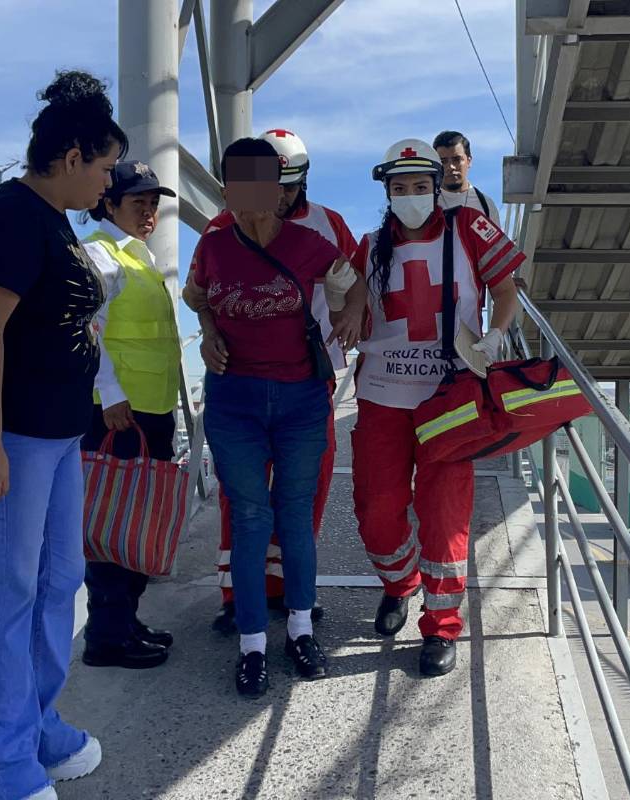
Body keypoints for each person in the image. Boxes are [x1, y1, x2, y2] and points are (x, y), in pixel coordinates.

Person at [0, 70, 125, 800]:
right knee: (11, 590)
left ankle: (35, 725)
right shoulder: (9, 217)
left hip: (53, 435)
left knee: (58, 583)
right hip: (8, 434)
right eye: (106, 168)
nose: (108, 184)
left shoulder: (53, 221)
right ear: (73, 155)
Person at [192, 137, 367, 697]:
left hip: (299, 400)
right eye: (237, 187)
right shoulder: (214, 245)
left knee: (293, 515)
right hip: (234, 400)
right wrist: (210, 334)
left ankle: (298, 629)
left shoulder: (310, 243)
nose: (249, 199)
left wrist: (350, 316)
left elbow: (354, 283)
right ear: (227, 191)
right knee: (248, 517)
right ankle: (251, 646)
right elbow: (197, 297)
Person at [352, 138, 525, 677]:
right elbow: (349, 302)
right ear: (386, 192)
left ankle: (441, 624)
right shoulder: (370, 244)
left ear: (436, 187)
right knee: (376, 512)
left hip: (449, 398)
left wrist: (496, 335)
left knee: (445, 516)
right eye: (399, 188)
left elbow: (507, 289)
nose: (410, 196)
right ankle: (400, 583)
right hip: (382, 395)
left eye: (420, 187)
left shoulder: (470, 229)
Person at [77, 160, 180, 670]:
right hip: (118, 413)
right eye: (138, 201)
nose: (149, 211)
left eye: (153, 202)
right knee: (113, 525)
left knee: (136, 522)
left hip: (150, 409)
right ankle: (106, 636)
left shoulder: (139, 257)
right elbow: (87, 328)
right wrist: (110, 392)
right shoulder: (102, 254)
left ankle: (124, 622)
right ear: (108, 204)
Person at [433, 130, 500, 225]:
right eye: (443, 161)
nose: (450, 167)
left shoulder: (486, 205)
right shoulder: (428, 203)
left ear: (469, 161)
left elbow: (496, 240)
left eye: (457, 159)